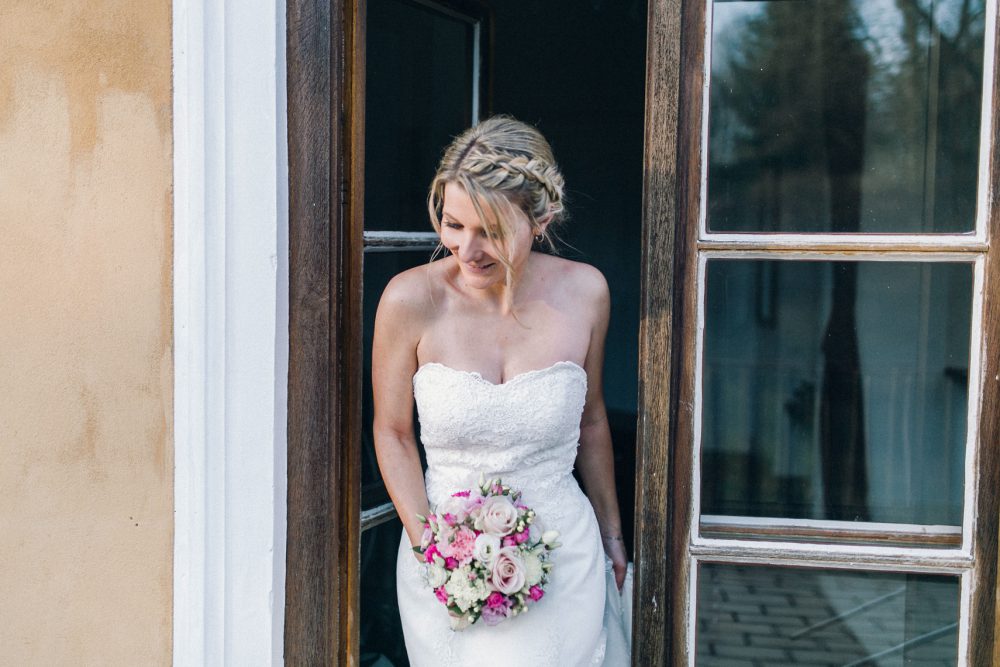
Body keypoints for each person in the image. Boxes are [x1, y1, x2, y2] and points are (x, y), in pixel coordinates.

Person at [372, 116, 629, 666]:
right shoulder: (408, 300)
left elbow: (591, 421)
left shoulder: (586, 293)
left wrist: (611, 534)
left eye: (489, 229)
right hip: (446, 559)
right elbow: (392, 432)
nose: (466, 250)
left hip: (564, 558)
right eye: (453, 224)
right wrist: (432, 551)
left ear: (541, 220)